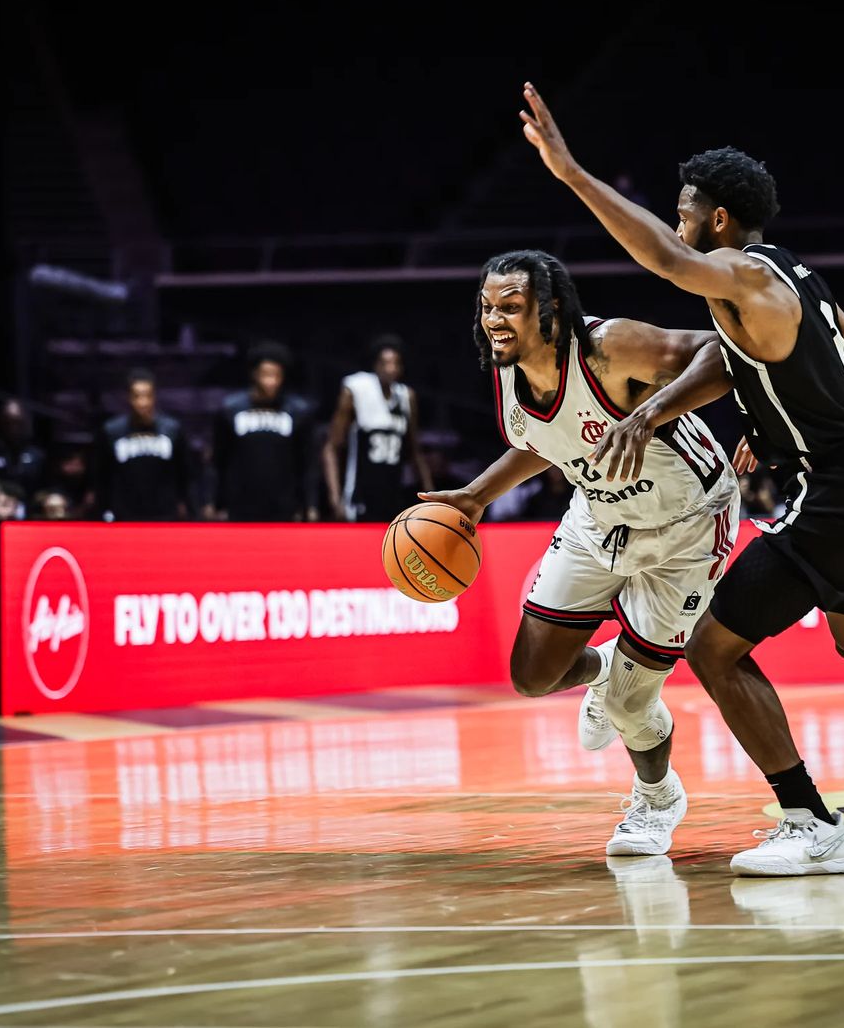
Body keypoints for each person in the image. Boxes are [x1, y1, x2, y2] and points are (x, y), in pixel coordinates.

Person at [519, 83, 844, 875]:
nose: (677, 222)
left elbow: (666, 262)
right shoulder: (796, 275)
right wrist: (772, 427)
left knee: (715, 646)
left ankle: (810, 821)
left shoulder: (744, 277)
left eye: (684, 208)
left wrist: (569, 173)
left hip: (841, 485)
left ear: (718, 220)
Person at [420, 250, 738, 856]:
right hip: (599, 518)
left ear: (552, 311)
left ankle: (657, 798)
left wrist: (647, 413)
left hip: (687, 525)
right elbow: (551, 437)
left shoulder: (609, 346)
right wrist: (478, 494)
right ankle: (603, 666)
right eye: (487, 307)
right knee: (531, 676)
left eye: (511, 307)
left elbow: (723, 352)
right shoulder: (509, 370)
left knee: (630, 702)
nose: (495, 320)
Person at [324, 336, 432, 522]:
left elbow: (415, 452)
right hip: (359, 496)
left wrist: (431, 496)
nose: (390, 368)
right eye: (385, 363)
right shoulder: (356, 389)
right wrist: (335, 499)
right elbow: (331, 448)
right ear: (375, 365)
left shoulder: (406, 396)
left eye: (396, 363)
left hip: (393, 495)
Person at [212, 341, 317, 522]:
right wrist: (212, 501)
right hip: (240, 504)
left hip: (284, 505)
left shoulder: (298, 411)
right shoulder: (231, 410)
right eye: (266, 374)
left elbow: (307, 463)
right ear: (254, 374)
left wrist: (310, 504)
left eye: (277, 375)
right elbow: (217, 459)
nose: (271, 381)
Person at [93, 369, 193, 521]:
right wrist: (103, 510)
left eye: (147, 396)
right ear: (128, 398)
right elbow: (102, 476)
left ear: (154, 397)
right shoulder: (112, 431)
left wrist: (190, 507)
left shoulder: (172, 430)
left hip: (164, 515)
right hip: (124, 516)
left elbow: (185, 474)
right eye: (137, 396)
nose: (142, 403)